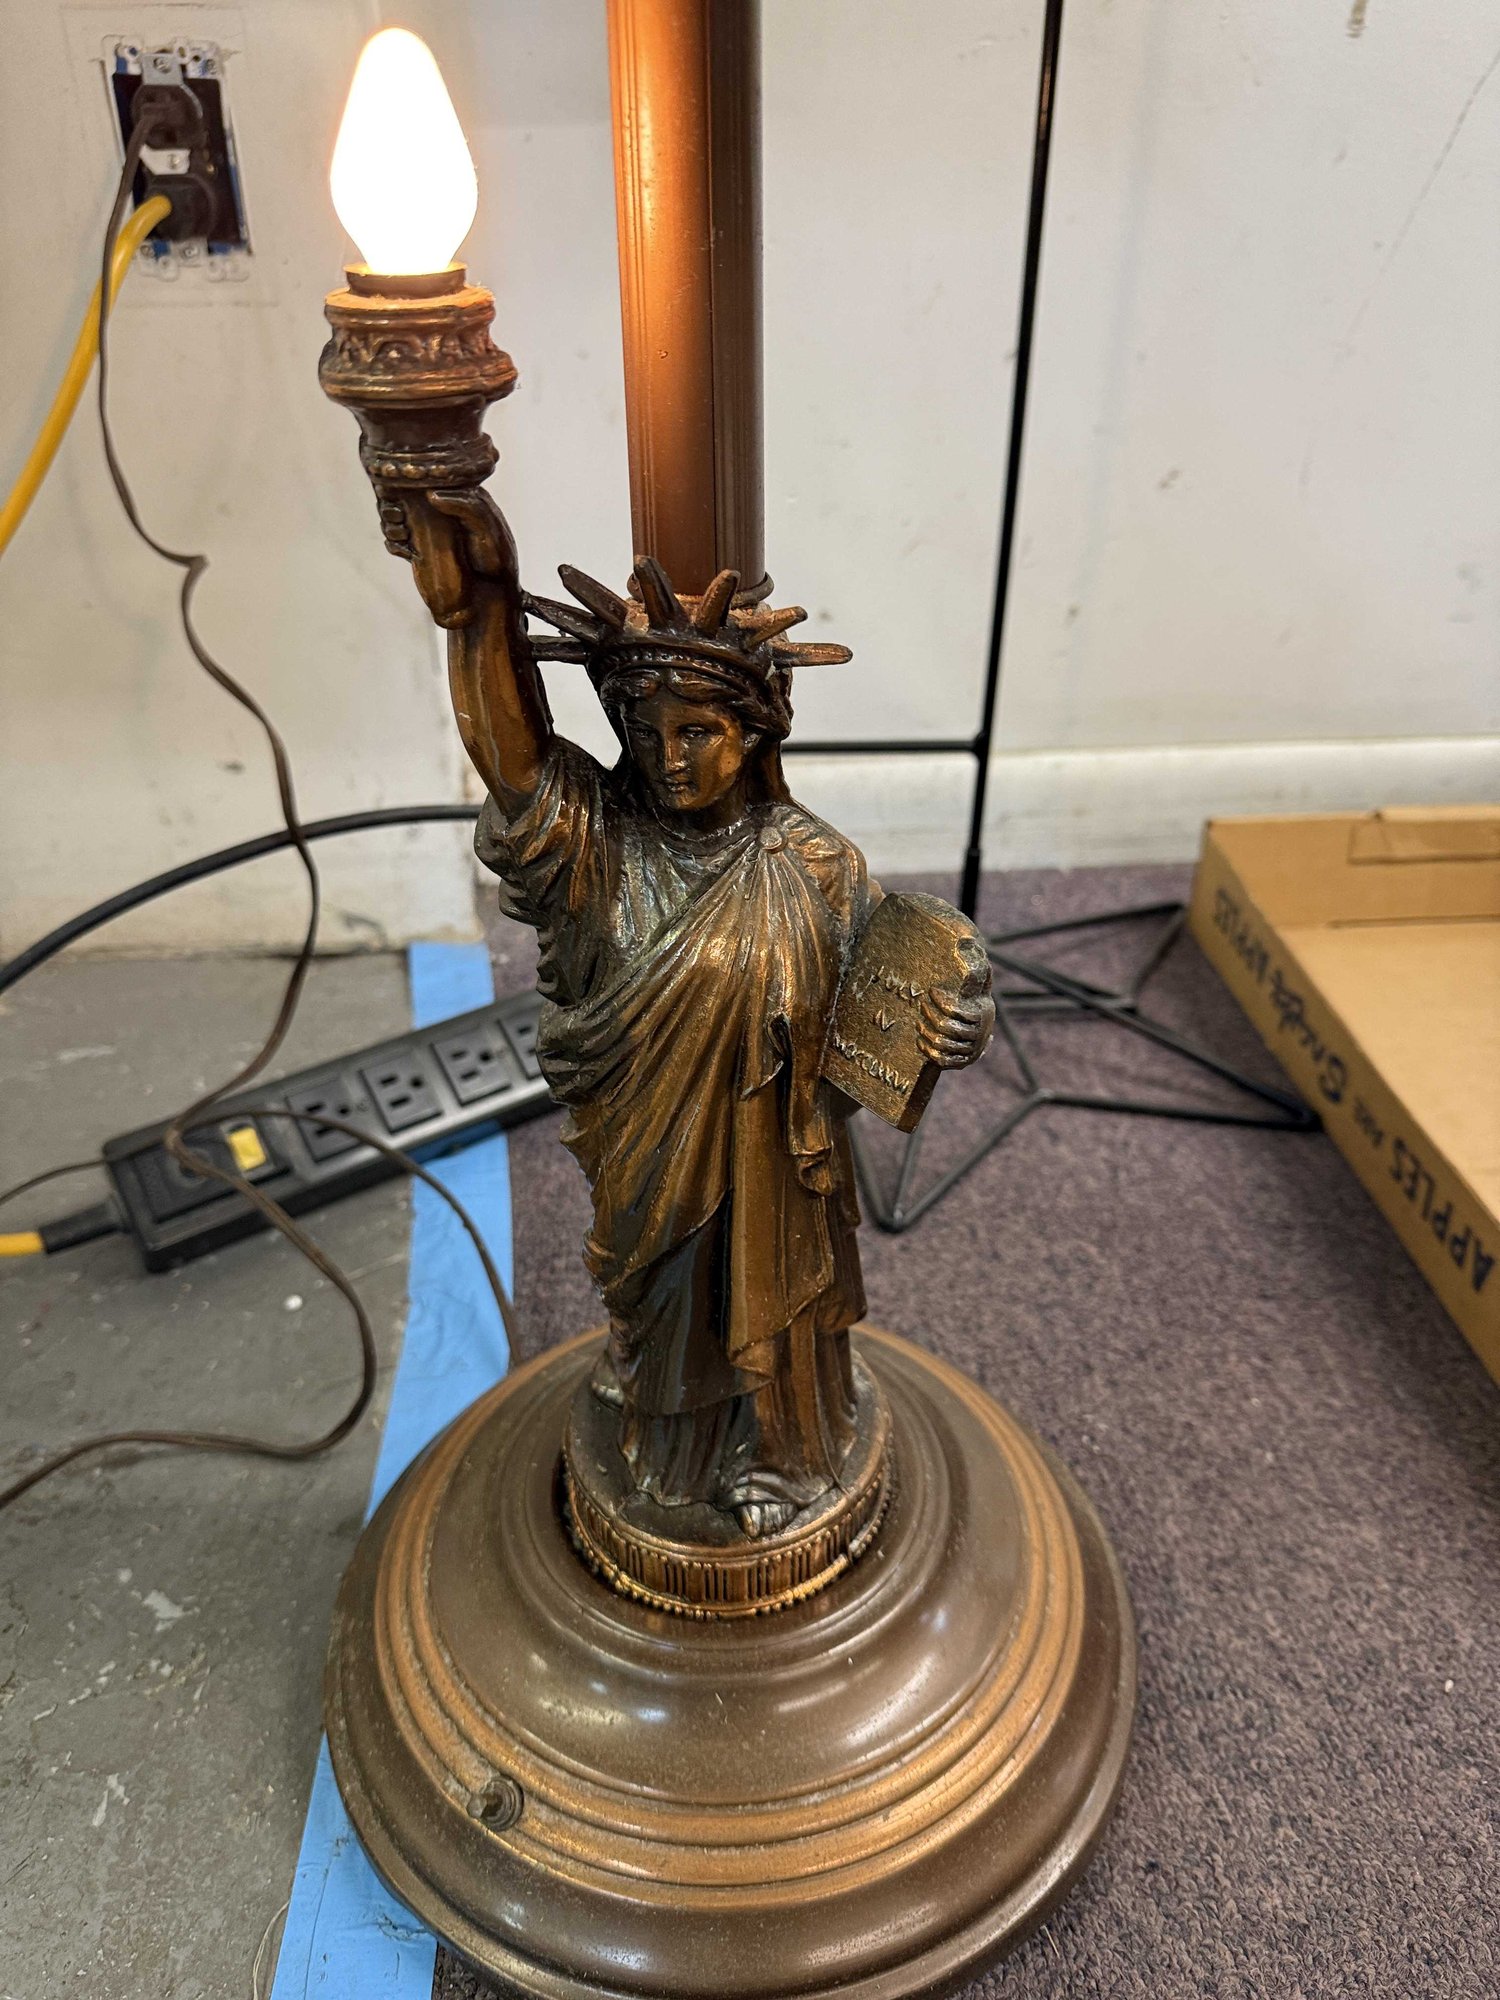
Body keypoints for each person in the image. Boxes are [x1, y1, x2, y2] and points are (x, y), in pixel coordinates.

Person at [384, 487, 994, 1536]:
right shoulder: (597, 848)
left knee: (779, 1308)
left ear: (754, 735)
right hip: (650, 1169)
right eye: (646, 730)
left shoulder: (815, 864)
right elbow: (511, 754)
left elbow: (890, 1003)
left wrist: (960, 1026)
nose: (671, 757)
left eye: (700, 730)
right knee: (659, 1313)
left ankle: (791, 1455)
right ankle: (670, 1437)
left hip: (778, 1176)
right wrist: (478, 607)